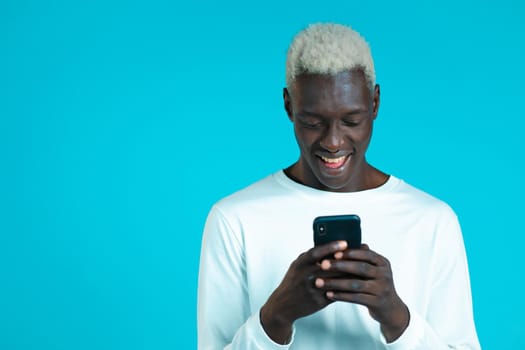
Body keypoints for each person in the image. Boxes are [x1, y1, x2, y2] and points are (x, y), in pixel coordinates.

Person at [197, 23, 481, 349]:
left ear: (375, 103)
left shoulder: (432, 220)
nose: (333, 142)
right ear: (289, 106)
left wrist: (396, 317)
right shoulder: (234, 219)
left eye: (351, 121)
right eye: (313, 122)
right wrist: (275, 316)